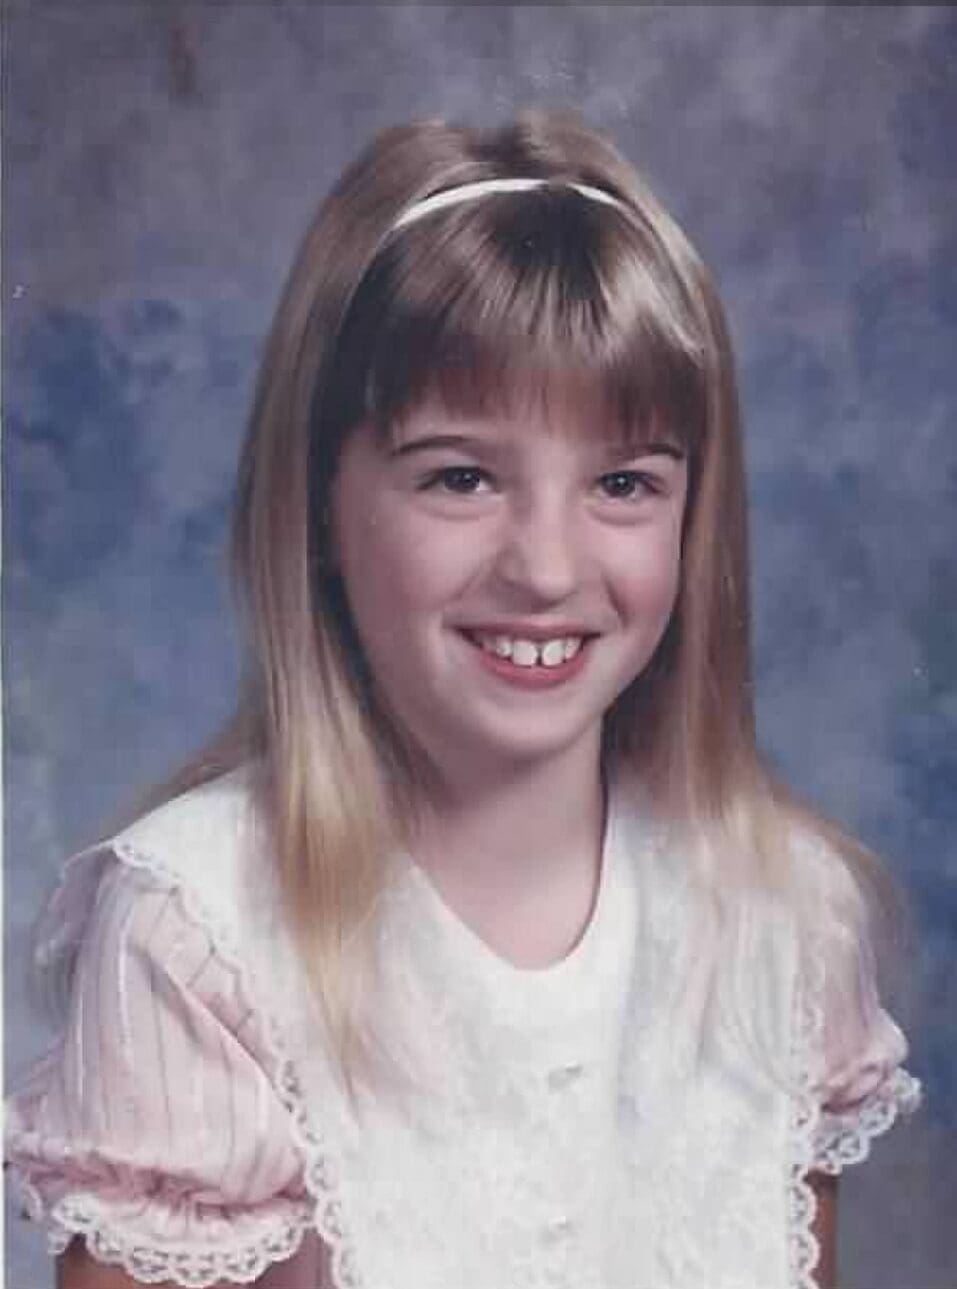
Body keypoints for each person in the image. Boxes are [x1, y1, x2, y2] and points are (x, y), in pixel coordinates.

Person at [6, 110, 920, 1289]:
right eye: (461, 475)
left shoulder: (785, 910)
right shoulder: (201, 936)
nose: (545, 566)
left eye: (624, 481)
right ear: (319, 509)